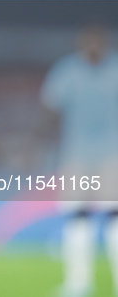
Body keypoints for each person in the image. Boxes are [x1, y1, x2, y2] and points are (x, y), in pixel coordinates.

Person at [41, 26, 118, 297]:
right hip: (76, 154)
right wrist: (39, 146)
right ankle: (78, 283)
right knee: (77, 217)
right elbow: (50, 110)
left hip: (112, 155)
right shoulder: (68, 71)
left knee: (114, 218)